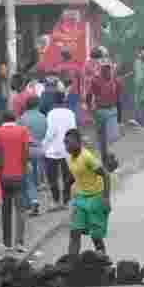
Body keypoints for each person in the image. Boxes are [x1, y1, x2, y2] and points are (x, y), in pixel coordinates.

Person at [63, 129, 112, 258]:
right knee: (75, 232)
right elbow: (74, 176)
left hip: (95, 198)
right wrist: (66, 193)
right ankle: (71, 265)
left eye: (69, 143)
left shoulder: (87, 157)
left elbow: (106, 175)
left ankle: (103, 263)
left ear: (78, 142)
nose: (67, 146)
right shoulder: (69, 159)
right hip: (80, 199)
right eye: (65, 143)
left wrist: (106, 199)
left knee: (96, 236)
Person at [0, 111, 29, 252]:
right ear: (15, 119)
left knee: (5, 210)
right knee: (20, 210)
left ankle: (7, 243)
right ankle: (19, 242)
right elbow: (25, 152)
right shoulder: (23, 131)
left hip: (3, 177)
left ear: (2, 119)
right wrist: (23, 169)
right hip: (19, 176)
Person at [43, 91, 76, 210]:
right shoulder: (70, 113)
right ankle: (66, 201)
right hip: (67, 149)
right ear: (64, 100)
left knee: (52, 177)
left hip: (52, 150)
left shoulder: (51, 114)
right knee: (68, 176)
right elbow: (73, 130)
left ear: (54, 101)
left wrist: (44, 145)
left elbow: (50, 132)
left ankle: (56, 200)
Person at [88, 46, 122, 160]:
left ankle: (105, 158)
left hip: (98, 109)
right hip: (108, 109)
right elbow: (118, 91)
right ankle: (109, 160)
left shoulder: (92, 74)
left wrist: (89, 107)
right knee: (110, 137)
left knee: (102, 136)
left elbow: (89, 92)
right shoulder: (112, 77)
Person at [19, 96, 47, 217]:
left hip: (27, 150)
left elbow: (19, 136)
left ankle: (31, 202)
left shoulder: (22, 119)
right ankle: (35, 199)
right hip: (41, 150)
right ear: (36, 105)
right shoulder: (43, 117)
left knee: (27, 178)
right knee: (37, 178)